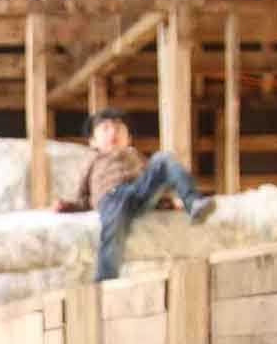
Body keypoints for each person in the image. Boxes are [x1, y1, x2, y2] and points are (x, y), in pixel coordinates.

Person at [56, 108, 215, 282]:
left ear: (129, 139)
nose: (113, 132)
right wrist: (70, 206)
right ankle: (106, 278)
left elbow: (151, 182)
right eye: (105, 128)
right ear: (93, 141)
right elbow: (83, 195)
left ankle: (193, 202)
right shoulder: (94, 160)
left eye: (119, 128)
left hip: (137, 192)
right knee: (114, 228)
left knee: (163, 159)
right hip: (111, 197)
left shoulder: (134, 155)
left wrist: (165, 202)